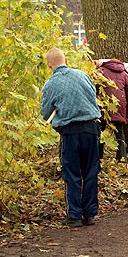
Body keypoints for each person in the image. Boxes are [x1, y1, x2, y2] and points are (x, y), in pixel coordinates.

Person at [41, 48, 101, 227]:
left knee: (72, 174)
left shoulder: (51, 84)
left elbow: (45, 114)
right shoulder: (83, 75)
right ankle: (90, 214)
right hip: (91, 128)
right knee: (91, 171)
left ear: (49, 65)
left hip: (69, 132)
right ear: (66, 59)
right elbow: (93, 96)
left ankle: (74, 215)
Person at [95, 59, 128, 162]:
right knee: (120, 133)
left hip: (103, 106)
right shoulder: (124, 74)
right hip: (119, 106)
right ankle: (122, 159)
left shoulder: (100, 72)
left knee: (100, 132)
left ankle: (98, 159)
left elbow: (94, 90)